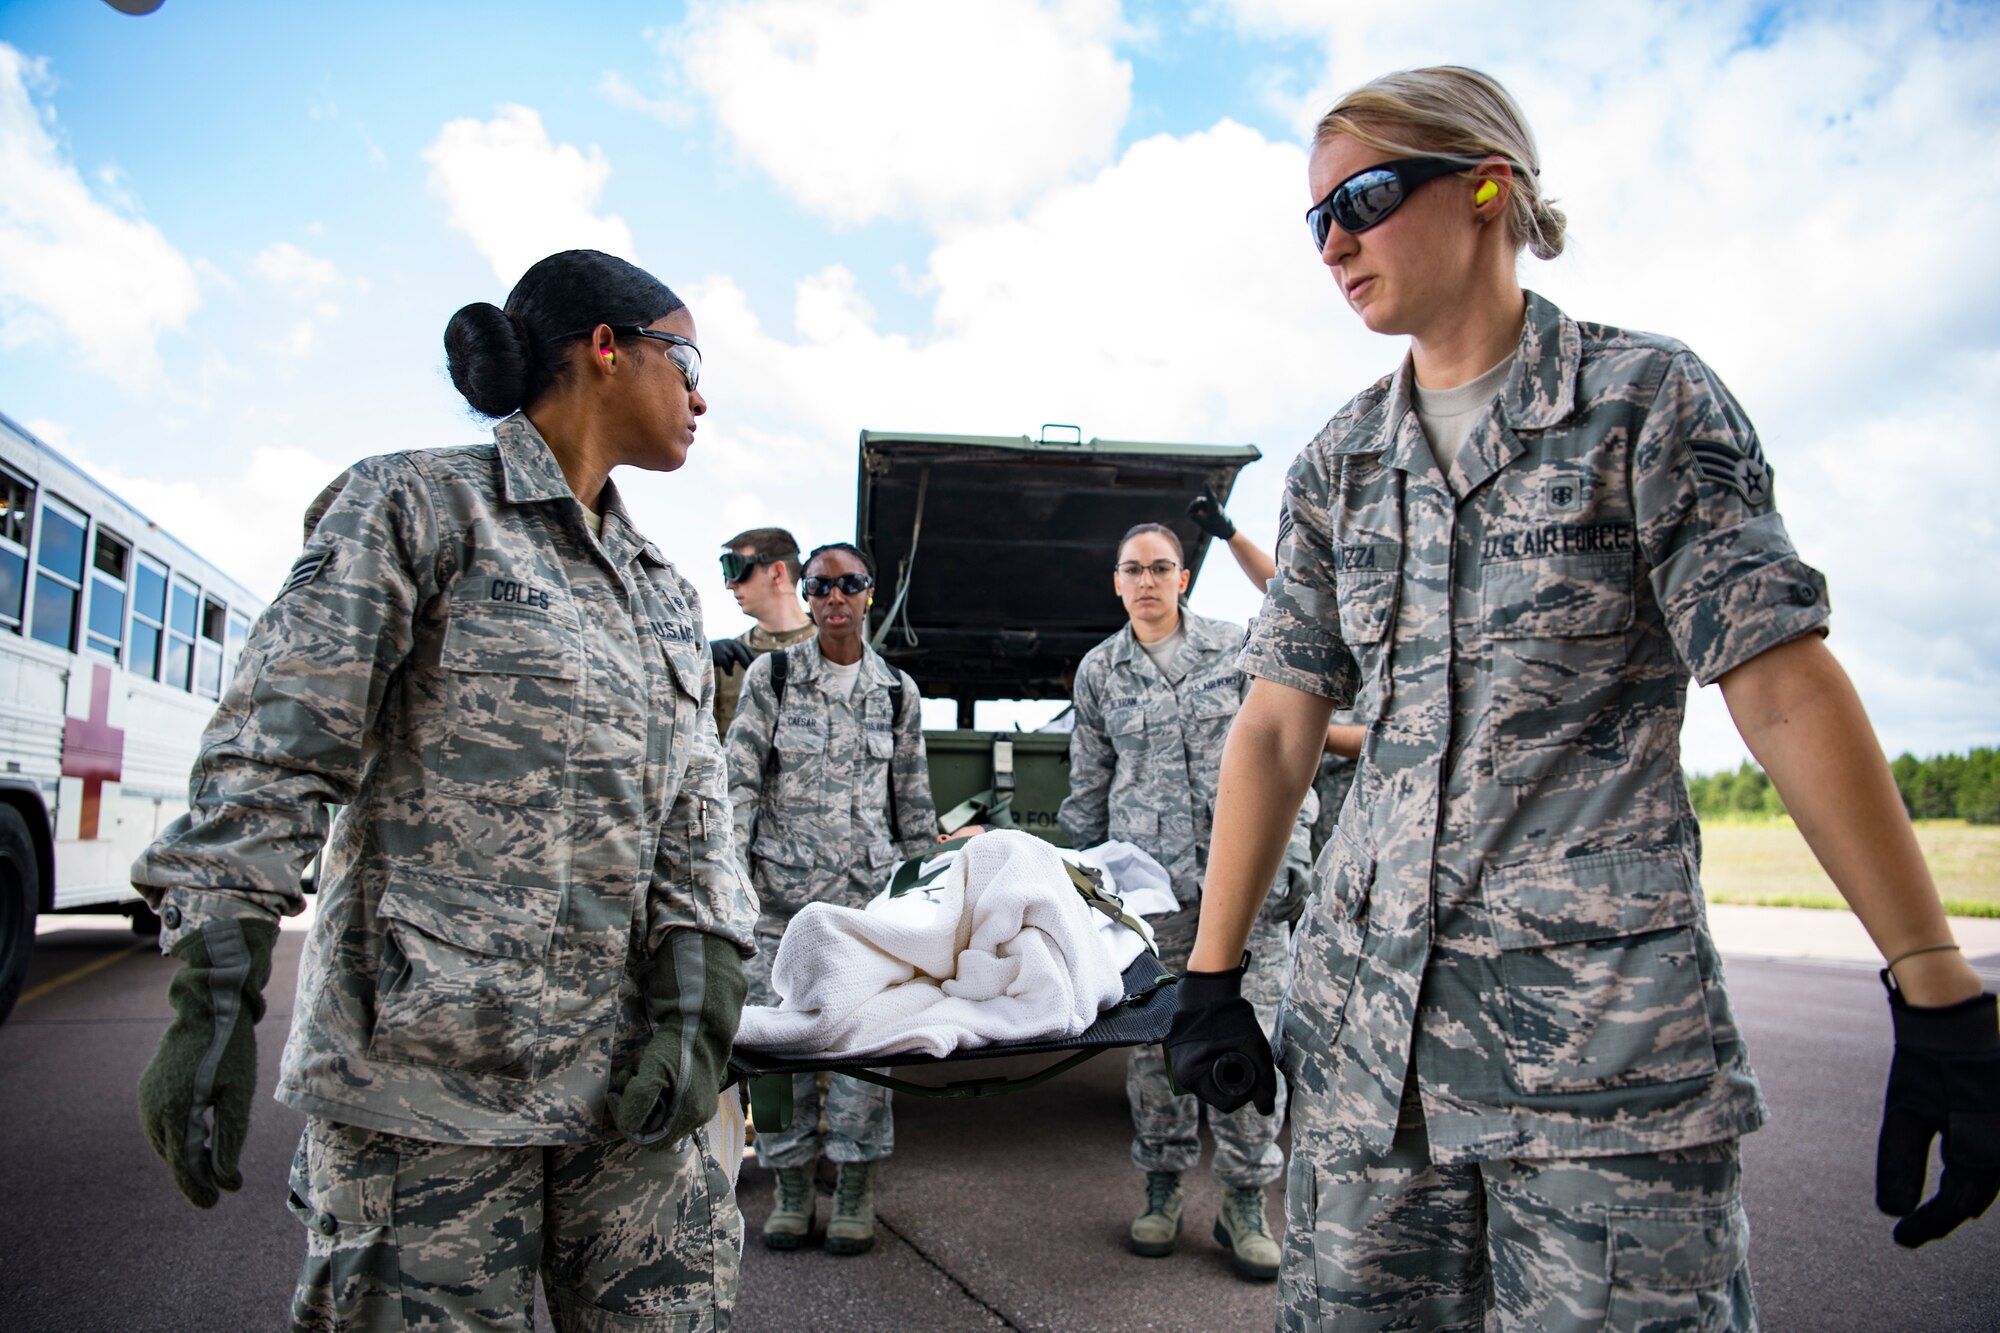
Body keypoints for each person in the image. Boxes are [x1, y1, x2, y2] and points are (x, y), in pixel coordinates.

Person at [1165, 66, 1998, 1331]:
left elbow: (1777, 688)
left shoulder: (1640, 405)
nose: (1333, 240)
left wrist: (1930, 976)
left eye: (1366, 198)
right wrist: (1212, 974)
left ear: (1487, 186)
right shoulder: (1337, 460)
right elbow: (1278, 724)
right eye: (1315, 217)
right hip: (1362, 1058)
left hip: (1597, 1066)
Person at [130, 249, 757, 1331]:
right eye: (685, 356)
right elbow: (276, 744)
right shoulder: (418, 506)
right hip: (428, 1087)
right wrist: (213, 991)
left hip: (623, 1093)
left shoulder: (661, 590)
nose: (701, 393)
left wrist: (697, 1003)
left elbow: (695, 812)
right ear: (606, 350)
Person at [1058, 521, 1315, 1282]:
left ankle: (1244, 1203)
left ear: (1184, 578)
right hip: (1151, 898)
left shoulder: (1236, 649)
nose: (1146, 580)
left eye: (1160, 567)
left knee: (1253, 1041)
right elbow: (1088, 792)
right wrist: (1086, 891)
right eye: (1132, 568)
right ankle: (1163, 1187)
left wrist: (1292, 856)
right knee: (1151, 1050)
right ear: (1116, 581)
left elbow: (1285, 754)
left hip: (1246, 889)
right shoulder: (1099, 671)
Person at [725, 541, 939, 1256]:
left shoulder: (897, 693)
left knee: (862, 1047)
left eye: (850, 584)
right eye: (821, 587)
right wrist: (731, 884)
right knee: (783, 1045)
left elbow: (913, 805)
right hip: (781, 902)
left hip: (866, 907)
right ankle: (789, 1186)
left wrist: (923, 902)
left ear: (870, 592)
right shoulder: (774, 676)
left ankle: (853, 1186)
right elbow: (740, 783)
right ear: (808, 595)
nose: (834, 598)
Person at [1188, 493, 1366, 852]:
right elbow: (1291, 587)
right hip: (1318, 800)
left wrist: (1307, 729)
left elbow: (1394, 735)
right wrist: (1231, 535)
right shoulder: (1330, 618)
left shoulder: (1396, 639)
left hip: (1365, 801)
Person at [711, 526, 816, 737]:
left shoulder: (836, 654)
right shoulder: (725, 660)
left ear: (777, 572)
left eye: (736, 568)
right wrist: (698, 660)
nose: (730, 584)